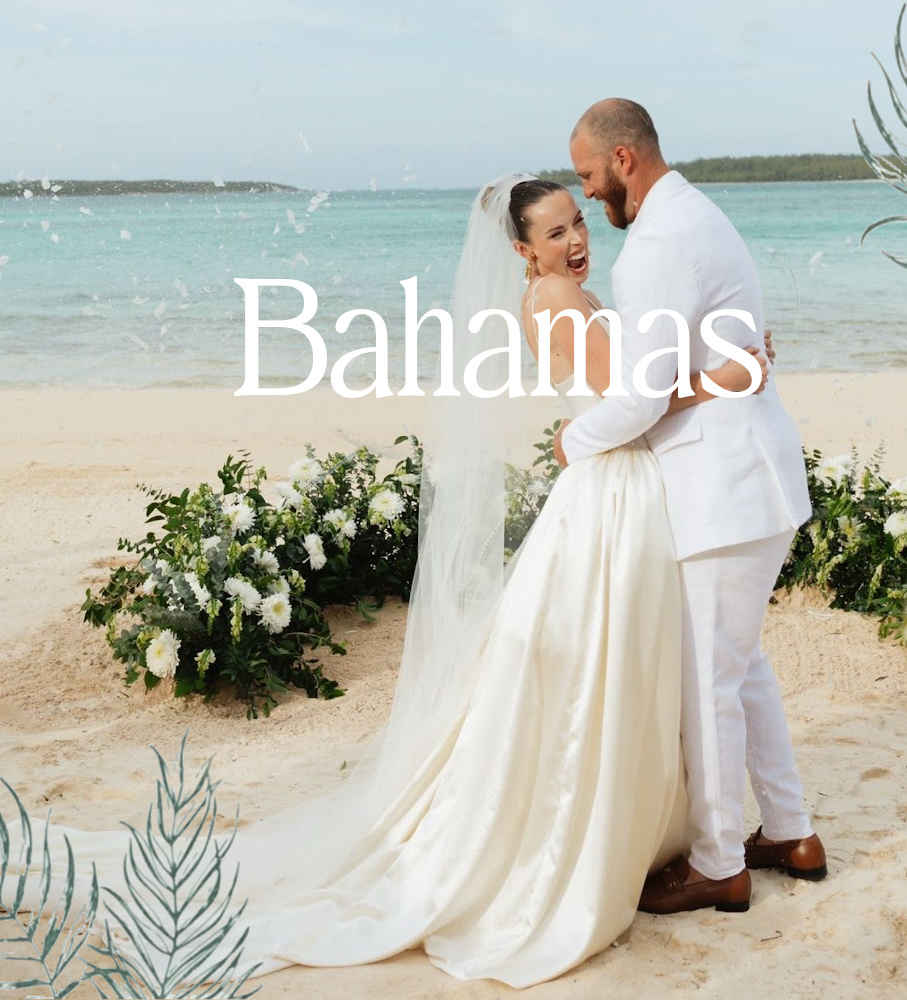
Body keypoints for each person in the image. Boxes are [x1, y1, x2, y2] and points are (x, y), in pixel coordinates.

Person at [11, 174, 769, 990]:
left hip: (614, 486)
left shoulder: (552, 298)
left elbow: (619, 395)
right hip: (615, 487)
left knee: (603, 654)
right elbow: (635, 406)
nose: (575, 241)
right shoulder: (559, 300)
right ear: (522, 250)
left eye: (578, 222)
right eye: (554, 233)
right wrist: (731, 373)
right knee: (601, 654)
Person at [555, 98, 827, 916]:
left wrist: (575, 442)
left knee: (710, 679)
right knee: (741, 668)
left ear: (625, 158)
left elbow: (637, 401)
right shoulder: (697, 213)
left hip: (725, 488)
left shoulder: (657, 246)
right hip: (753, 475)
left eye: (590, 175)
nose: (590, 194)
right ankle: (790, 831)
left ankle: (718, 864)